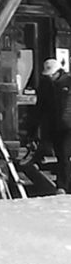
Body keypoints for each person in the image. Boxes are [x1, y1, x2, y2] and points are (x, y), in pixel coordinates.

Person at [42, 57, 71, 194]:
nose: (50, 78)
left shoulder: (68, 83)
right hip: (56, 125)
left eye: (51, 75)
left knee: (65, 155)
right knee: (61, 156)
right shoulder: (49, 86)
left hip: (68, 125)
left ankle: (63, 186)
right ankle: (63, 185)